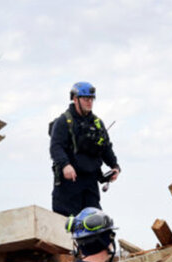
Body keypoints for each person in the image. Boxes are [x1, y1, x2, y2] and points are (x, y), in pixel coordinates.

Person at [49, 82, 120, 216]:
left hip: (90, 182)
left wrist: (114, 166)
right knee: (67, 224)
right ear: (75, 99)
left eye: (91, 99)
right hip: (69, 183)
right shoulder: (63, 121)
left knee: (95, 223)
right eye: (86, 99)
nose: (89, 102)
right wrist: (65, 165)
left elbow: (106, 147)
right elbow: (56, 147)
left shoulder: (97, 123)